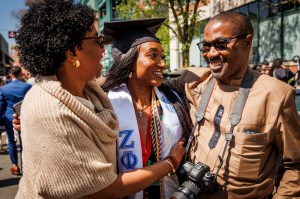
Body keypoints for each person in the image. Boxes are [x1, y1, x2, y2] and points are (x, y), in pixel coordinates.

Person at [15, 0, 185, 198]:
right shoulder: (52, 111)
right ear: (71, 52)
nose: (104, 50)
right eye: (97, 41)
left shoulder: (88, 90)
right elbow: (104, 189)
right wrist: (171, 162)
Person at [165, 11, 300, 198]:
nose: (211, 54)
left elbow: (294, 165)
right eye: (205, 46)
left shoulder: (276, 95)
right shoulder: (193, 80)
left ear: (247, 42)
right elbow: (148, 87)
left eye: (221, 44)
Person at [100, 18, 193, 198]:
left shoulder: (172, 101)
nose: (162, 63)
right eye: (153, 55)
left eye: (162, 56)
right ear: (129, 60)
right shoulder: (106, 104)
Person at [0, 66, 32, 175]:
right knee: (25, 142)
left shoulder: (4, 89)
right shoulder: (27, 86)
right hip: (25, 116)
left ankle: (15, 166)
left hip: (9, 118)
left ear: (11, 75)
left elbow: (1, 106)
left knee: (11, 141)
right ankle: (25, 166)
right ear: (20, 74)